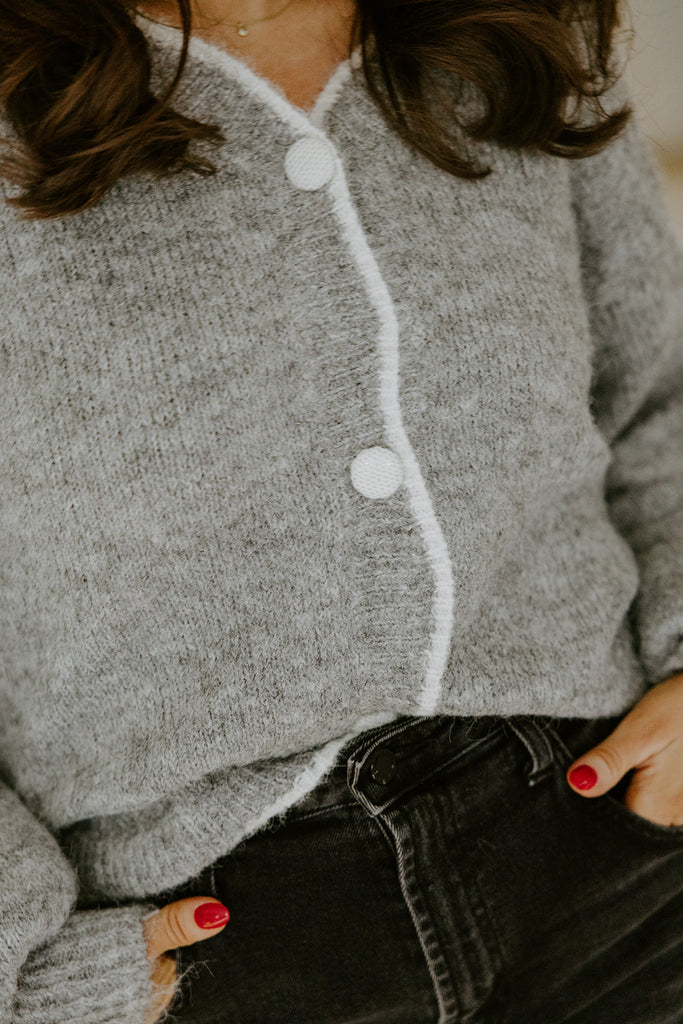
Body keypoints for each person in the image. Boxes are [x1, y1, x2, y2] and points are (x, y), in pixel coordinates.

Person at [0, 0, 681, 1021]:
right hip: (203, 935)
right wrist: (26, 965)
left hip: (615, 831)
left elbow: (654, 394)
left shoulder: (529, 32)